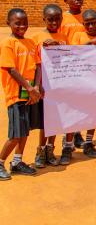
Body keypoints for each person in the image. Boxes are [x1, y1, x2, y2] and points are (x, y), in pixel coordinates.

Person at [0, 9, 41, 180]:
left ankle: (17, 162)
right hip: (16, 95)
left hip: (29, 94)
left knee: (25, 132)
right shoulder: (8, 43)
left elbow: (38, 66)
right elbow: (11, 69)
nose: (22, 26)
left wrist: (36, 87)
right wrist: (29, 88)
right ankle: (1, 161)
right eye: (17, 23)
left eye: (25, 22)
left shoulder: (31, 43)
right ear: (8, 23)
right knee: (15, 134)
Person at [30, 4, 67, 168]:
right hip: (45, 86)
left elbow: (69, 58)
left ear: (61, 19)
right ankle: (41, 150)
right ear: (44, 19)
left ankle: (51, 149)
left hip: (60, 85)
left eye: (57, 19)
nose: (54, 22)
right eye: (50, 19)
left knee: (57, 120)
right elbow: (34, 64)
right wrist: (38, 85)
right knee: (45, 122)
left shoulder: (64, 36)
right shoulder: (36, 38)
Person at [70, 9, 96, 160]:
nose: (91, 26)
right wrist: (90, 43)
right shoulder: (78, 36)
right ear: (83, 24)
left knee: (93, 112)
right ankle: (69, 144)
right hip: (79, 81)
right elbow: (72, 54)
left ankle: (89, 142)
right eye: (87, 24)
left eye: (94, 23)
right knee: (74, 112)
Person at [59, 0, 86, 149]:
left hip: (82, 66)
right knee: (67, 102)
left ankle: (77, 134)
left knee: (80, 101)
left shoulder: (86, 17)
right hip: (66, 66)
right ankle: (65, 135)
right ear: (65, 1)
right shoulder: (61, 18)